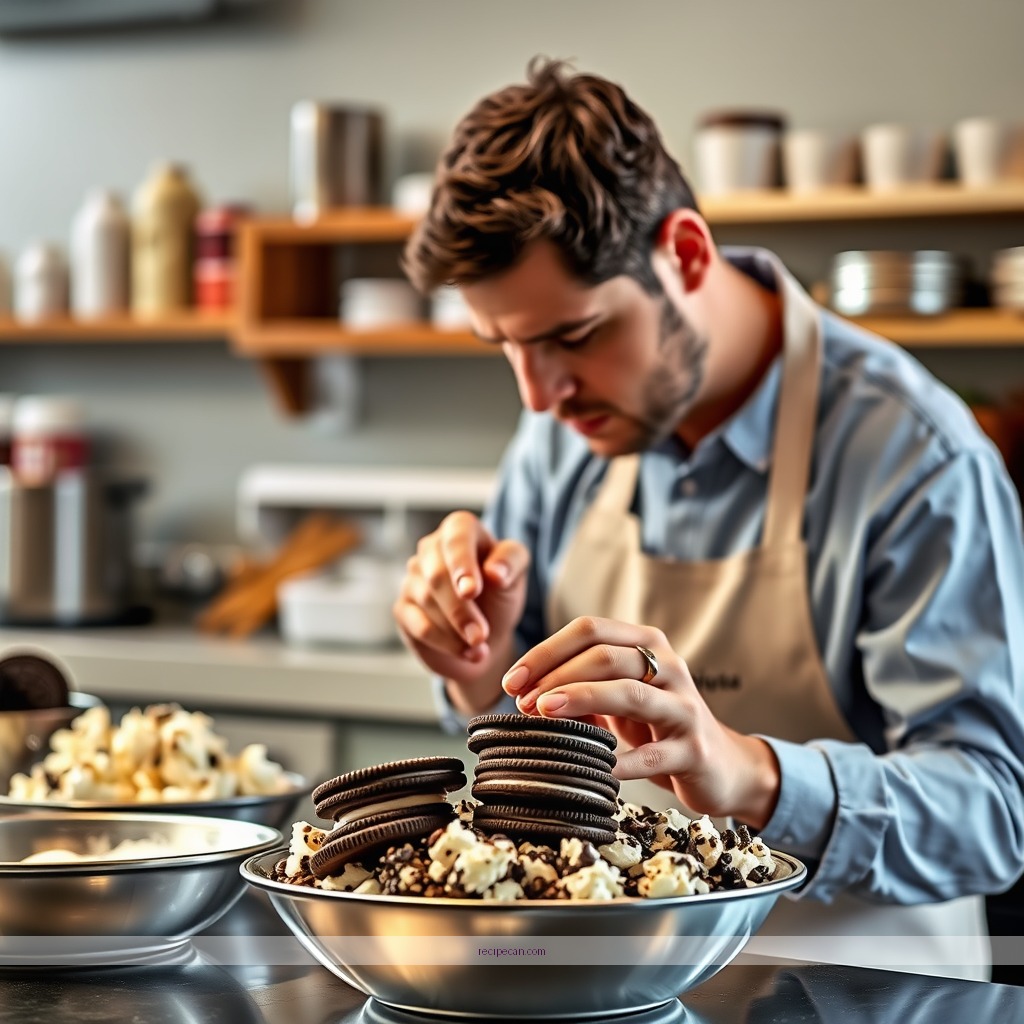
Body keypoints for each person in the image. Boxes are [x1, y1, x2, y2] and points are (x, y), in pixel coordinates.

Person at [392, 58, 1024, 979]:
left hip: (867, 992)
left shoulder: (914, 457)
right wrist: (477, 673)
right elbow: (526, 745)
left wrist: (749, 776)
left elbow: (996, 816)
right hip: (613, 991)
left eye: (572, 335)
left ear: (685, 253)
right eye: (506, 347)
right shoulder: (564, 435)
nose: (538, 397)